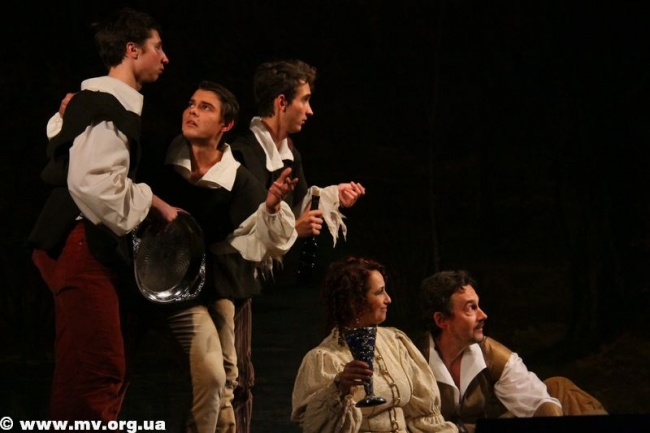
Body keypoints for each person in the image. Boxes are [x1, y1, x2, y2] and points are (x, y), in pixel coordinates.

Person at [26, 7, 178, 423]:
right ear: (132, 50)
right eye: (157, 47)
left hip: (81, 244)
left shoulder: (94, 104)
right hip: (80, 244)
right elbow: (92, 183)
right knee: (99, 369)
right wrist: (154, 202)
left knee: (91, 368)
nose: (165, 58)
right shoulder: (106, 106)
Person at [147, 80, 298, 432]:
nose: (192, 111)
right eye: (191, 104)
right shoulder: (163, 160)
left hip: (219, 283)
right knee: (214, 375)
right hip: (171, 284)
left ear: (225, 125)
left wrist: (271, 206)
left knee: (228, 376)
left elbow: (268, 236)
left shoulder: (236, 177)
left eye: (205, 107)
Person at [228, 59, 366, 433]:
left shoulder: (289, 151)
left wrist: (334, 195)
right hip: (230, 280)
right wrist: (295, 229)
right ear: (281, 102)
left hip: (263, 285)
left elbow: (300, 205)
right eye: (304, 100)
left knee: (242, 376)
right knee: (231, 378)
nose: (310, 109)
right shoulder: (243, 154)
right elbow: (248, 225)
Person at [416, 270, 608, 433]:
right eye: (471, 308)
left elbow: (536, 400)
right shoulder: (413, 359)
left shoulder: (489, 354)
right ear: (442, 320)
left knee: (559, 387)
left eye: (478, 305)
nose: (483, 315)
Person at [291, 257, 458, 433]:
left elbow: (422, 416)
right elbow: (315, 426)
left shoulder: (395, 342)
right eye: (379, 292)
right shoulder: (325, 359)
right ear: (355, 301)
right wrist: (340, 387)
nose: (388, 299)